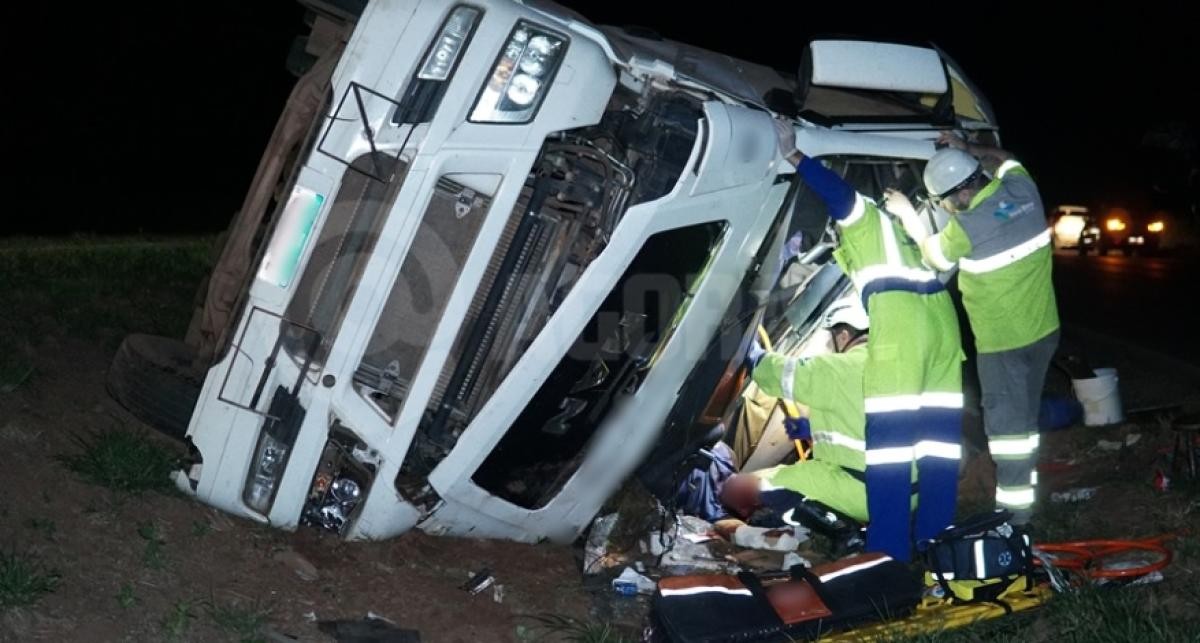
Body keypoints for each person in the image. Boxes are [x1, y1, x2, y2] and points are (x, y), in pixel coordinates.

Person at [770, 119, 964, 562]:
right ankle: (937, 547)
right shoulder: (900, 232)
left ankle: (887, 556)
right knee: (937, 447)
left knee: (889, 452)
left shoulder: (867, 221)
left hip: (902, 333)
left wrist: (795, 155)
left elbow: (840, 197)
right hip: (942, 327)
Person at [890, 132, 1059, 526]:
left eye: (944, 202)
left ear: (962, 195)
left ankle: (1015, 518)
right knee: (1024, 418)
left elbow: (933, 256)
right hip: (1044, 331)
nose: (947, 209)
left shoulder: (968, 226)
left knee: (1008, 433)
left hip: (1004, 343)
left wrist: (907, 215)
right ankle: (1027, 487)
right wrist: (968, 149)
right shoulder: (1022, 189)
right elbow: (1007, 155)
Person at [718, 297, 878, 548]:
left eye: (832, 340)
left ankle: (779, 535)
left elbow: (784, 374)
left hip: (855, 486)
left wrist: (754, 355)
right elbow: (864, 419)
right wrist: (811, 430)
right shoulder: (891, 368)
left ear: (844, 335)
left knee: (737, 489)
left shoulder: (844, 366)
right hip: (895, 490)